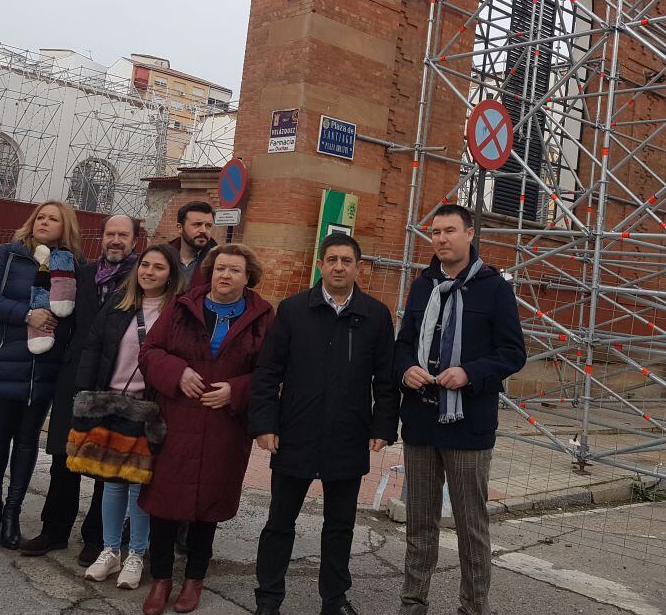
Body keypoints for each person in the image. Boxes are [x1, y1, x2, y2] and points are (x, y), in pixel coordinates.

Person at [250, 233, 398, 615]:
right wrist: (265, 423)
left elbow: (385, 379)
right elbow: (268, 371)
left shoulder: (376, 315)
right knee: (280, 522)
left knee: (340, 527)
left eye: (346, 261)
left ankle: (334, 600)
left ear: (357, 267)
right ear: (320, 265)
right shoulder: (293, 310)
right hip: (294, 433)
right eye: (331, 259)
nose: (338, 267)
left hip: (347, 436)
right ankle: (268, 599)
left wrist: (383, 426)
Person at [394, 203, 526, 615]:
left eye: (450, 230)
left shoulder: (494, 288)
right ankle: (413, 603)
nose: (441, 239)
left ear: (470, 234)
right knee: (419, 524)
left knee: (471, 526)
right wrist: (406, 370)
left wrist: (469, 373)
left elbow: (512, 353)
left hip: (468, 425)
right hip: (420, 420)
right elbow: (402, 344)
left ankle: (473, 606)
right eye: (435, 232)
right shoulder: (422, 285)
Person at [138, 243, 272, 615]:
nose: (225, 276)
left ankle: (194, 579)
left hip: (224, 426)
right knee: (164, 503)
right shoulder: (182, 308)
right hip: (176, 419)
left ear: (248, 278)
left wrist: (236, 390)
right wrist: (177, 373)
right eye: (219, 269)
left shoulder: (262, 316)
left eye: (234, 270)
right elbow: (150, 352)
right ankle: (161, 579)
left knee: (207, 507)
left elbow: (271, 371)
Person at [23, 214, 140, 565]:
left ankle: (97, 537)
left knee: (107, 461)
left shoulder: (141, 280)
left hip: (118, 379)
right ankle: (54, 530)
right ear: (101, 238)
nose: (115, 240)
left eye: (123, 235)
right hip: (73, 375)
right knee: (63, 455)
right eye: (110, 234)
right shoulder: (82, 274)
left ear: (135, 241)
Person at [0, 200, 85, 550]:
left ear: (64, 227)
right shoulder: (10, 254)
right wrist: (26, 315)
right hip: (5, 359)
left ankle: (12, 513)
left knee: (26, 441)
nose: (45, 222)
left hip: (46, 368)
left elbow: (75, 315)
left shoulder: (72, 265)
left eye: (53, 219)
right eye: (41, 217)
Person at [74, 244, 185, 591]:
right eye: (145, 265)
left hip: (148, 407)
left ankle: (137, 552)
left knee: (139, 484)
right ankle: (110, 550)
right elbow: (93, 346)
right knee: (110, 481)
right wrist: (85, 396)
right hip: (111, 402)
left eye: (158, 267)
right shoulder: (120, 303)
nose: (149, 272)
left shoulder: (177, 312)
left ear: (171, 275)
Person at [170, 201, 217, 289]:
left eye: (208, 225)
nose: (203, 230)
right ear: (180, 228)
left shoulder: (219, 260)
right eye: (197, 224)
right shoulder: (164, 256)